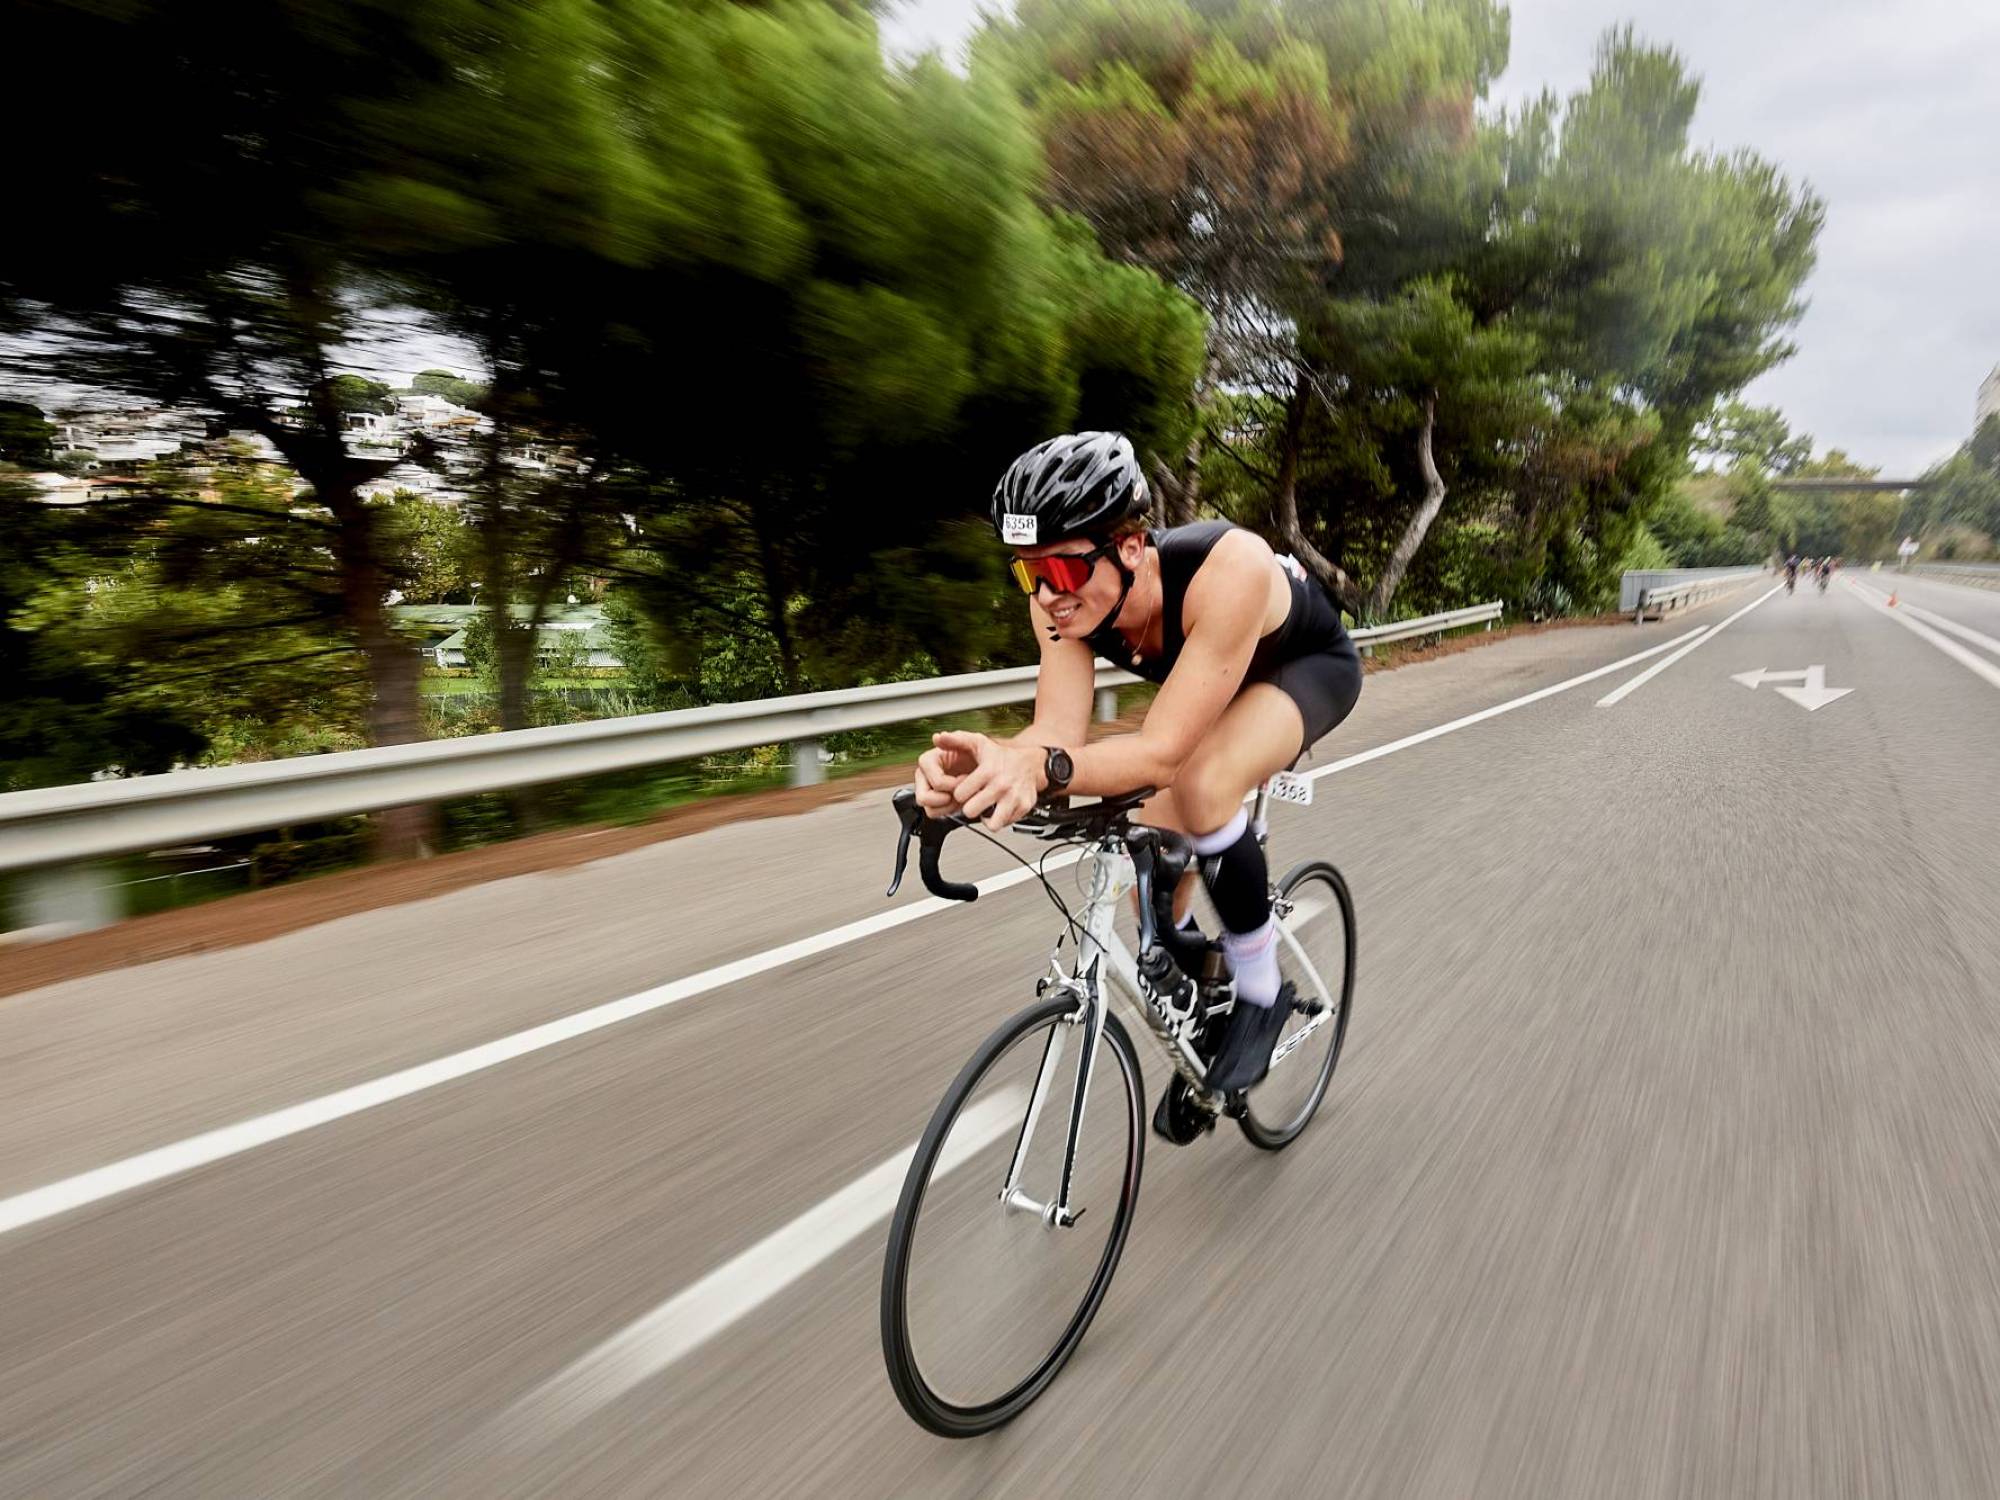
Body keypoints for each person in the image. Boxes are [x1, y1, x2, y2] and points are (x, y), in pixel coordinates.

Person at [911, 431, 1362, 1096]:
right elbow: (1055, 735)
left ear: (1128, 547)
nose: (1045, 597)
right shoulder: (1059, 607)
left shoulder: (1228, 566)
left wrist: (1044, 771)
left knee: (1203, 781)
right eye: (1026, 574)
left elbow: (1159, 751)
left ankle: (1263, 989)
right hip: (1211, 673)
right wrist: (986, 767)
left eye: (1060, 571)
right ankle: (1195, 963)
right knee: (1145, 842)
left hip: (1304, 669)